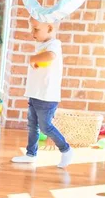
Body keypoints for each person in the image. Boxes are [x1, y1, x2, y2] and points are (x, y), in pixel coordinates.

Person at [11, 17, 73, 168]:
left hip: (47, 96)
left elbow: (51, 56)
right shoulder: (41, 45)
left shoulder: (54, 44)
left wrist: (33, 59)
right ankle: (31, 154)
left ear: (50, 29)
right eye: (32, 28)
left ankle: (66, 150)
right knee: (33, 125)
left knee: (46, 127)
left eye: (36, 29)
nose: (32, 32)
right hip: (35, 94)